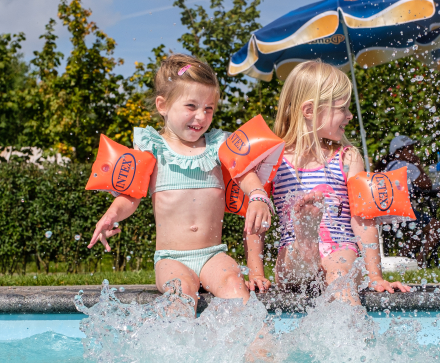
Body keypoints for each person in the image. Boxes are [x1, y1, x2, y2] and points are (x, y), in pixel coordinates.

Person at [88, 54, 271, 308]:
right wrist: (111, 216)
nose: (201, 116)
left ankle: (259, 347)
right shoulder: (152, 148)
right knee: (181, 292)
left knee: (235, 286)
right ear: (163, 105)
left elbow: (244, 175)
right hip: (171, 258)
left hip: (213, 254)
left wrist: (258, 195)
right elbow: (130, 196)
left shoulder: (219, 145)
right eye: (191, 106)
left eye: (208, 108)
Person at [246, 61, 409, 302]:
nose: (350, 115)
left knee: (340, 274)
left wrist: (375, 277)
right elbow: (256, 220)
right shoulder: (272, 160)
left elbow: (363, 218)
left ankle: (308, 238)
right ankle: (306, 239)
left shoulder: (347, 157)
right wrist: (256, 274)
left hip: (340, 248)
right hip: (294, 256)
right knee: (299, 262)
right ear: (310, 110)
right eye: (342, 108)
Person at [379, 135, 440, 267]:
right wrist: (418, 165)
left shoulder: (387, 166)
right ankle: (419, 264)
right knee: (436, 227)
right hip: (399, 213)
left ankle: (402, 260)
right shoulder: (406, 165)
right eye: (409, 149)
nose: (413, 152)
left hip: (384, 213)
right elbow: (427, 185)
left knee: (420, 230)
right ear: (398, 152)